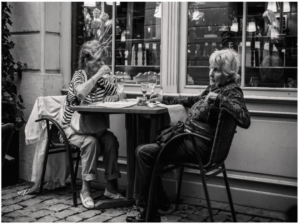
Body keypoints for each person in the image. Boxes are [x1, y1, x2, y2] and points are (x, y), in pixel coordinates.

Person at [126, 49, 251, 222]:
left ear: (227, 72)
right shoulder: (215, 88)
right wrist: (164, 98)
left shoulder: (232, 92)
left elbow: (245, 119)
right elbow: (192, 101)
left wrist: (221, 100)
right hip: (191, 141)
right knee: (149, 151)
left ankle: (147, 210)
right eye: (211, 68)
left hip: (198, 147)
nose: (210, 73)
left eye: (215, 70)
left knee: (144, 152)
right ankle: (157, 202)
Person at [61, 40, 124, 209]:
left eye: (103, 60)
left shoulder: (103, 81)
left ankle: (111, 188)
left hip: (94, 128)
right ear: (86, 62)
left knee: (110, 139)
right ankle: (85, 190)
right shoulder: (79, 76)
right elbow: (80, 93)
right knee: (91, 142)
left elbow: (121, 95)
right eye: (98, 61)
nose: (102, 64)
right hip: (71, 129)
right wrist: (97, 76)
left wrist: (115, 96)